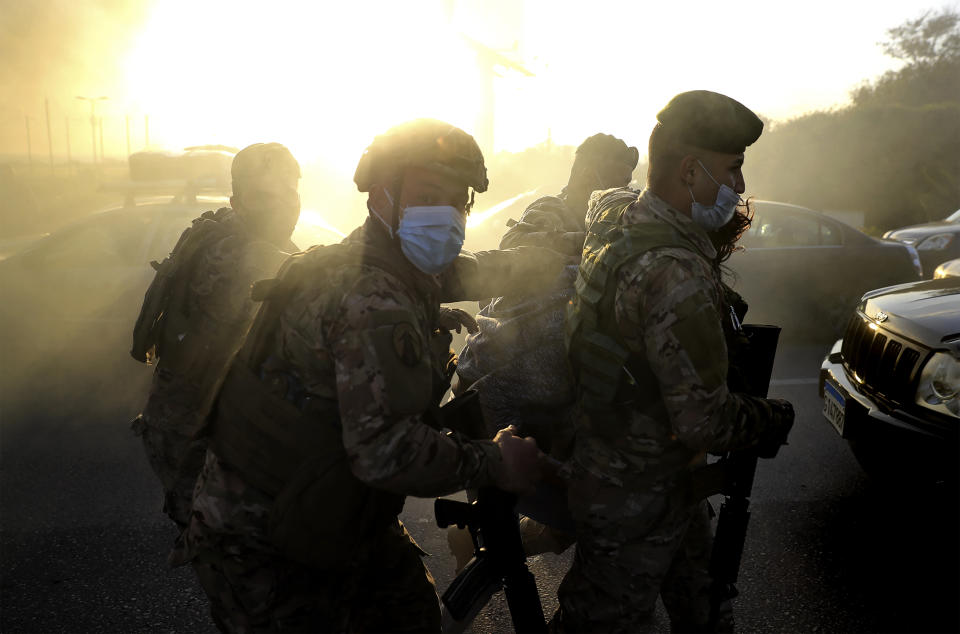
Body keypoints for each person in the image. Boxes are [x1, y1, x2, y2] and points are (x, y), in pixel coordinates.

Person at [177, 119, 560, 633]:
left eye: (456, 200)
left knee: (409, 614)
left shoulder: (379, 259)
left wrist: (556, 263)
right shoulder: (371, 297)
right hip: (264, 536)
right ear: (382, 196)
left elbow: (470, 271)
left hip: (327, 504)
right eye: (427, 195)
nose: (444, 214)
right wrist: (495, 460)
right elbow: (386, 452)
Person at [554, 90, 796, 632]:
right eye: (732, 170)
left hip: (640, 478)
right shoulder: (674, 270)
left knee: (705, 605)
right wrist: (774, 417)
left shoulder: (623, 222)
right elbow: (703, 420)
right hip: (637, 500)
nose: (739, 187)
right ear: (690, 171)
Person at [452, 133, 638, 562]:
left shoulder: (609, 216)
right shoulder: (547, 211)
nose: (625, 188)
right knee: (589, 501)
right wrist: (595, 240)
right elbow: (520, 261)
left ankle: (501, 545)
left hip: (552, 381)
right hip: (508, 381)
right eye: (618, 178)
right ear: (590, 173)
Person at [130, 143, 302, 529]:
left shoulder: (270, 243)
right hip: (191, 441)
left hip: (228, 430)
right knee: (237, 561)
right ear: (237, 202)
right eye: (264, 195)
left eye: (289, 192)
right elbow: (315, 283)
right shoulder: (229, 254)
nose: (281, 205)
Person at [499, 133, 639, 253]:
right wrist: (593, 242)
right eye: (621, 184)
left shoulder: (610, 218)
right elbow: (511, 242)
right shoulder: (550, 209)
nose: (626, 192)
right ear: (589, 176)